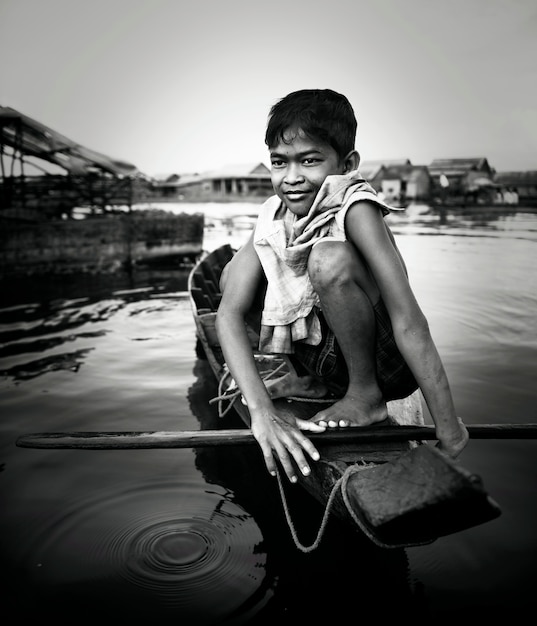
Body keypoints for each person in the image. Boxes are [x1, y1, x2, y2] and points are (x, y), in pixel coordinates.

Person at [215, 88, 469, 484]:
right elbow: (228, 313)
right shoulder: (274, 215)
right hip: (326, 358)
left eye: (310, 160)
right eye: (279, 163)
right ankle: (308, 377)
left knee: (327, 258)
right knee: (233, 274)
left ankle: (364, 396)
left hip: (385, 366)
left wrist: (448, 424)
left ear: (347, 163)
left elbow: (409, 322)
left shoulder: (356, 208)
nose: (292, 178)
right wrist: (262, 412)